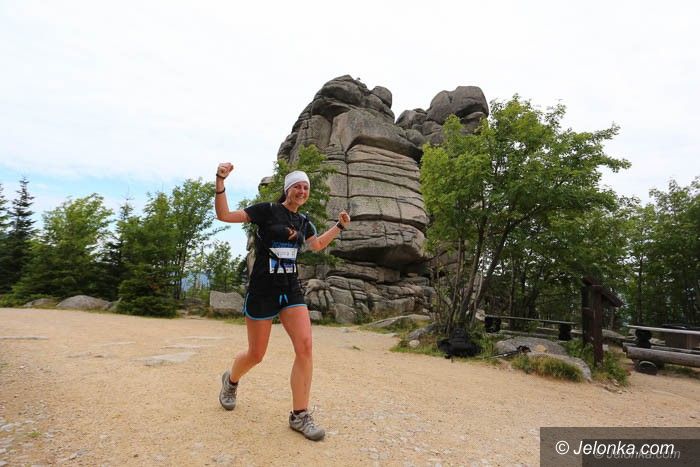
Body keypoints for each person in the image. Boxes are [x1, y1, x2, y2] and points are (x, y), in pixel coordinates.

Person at [213, 162, 350, 441]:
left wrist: (339, 226)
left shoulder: (304, 221)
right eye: (297, 186)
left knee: (305, 347)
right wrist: (220, 182)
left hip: (291, 290)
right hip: (263, 290)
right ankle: (231, 380)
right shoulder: (267, 210)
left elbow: (316, 245)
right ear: (287, 189)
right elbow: (224, 215)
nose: (302, 191)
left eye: (306, 187)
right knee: (256, 355)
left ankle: (299, 415)